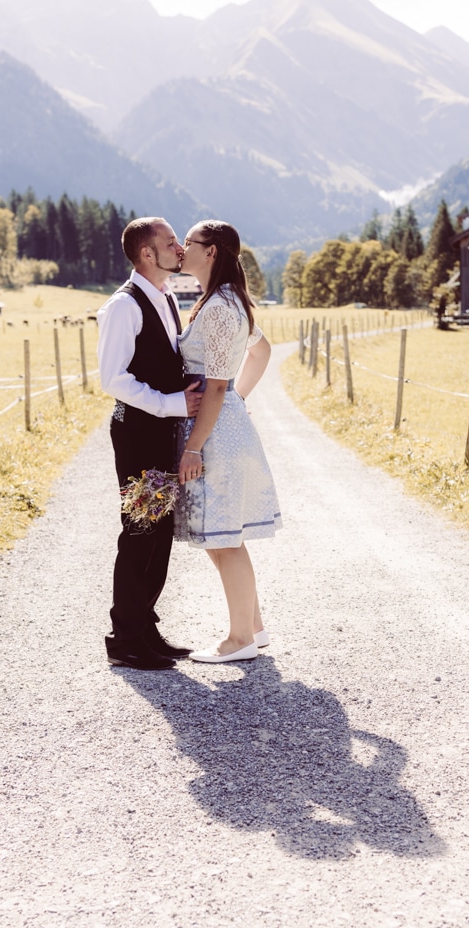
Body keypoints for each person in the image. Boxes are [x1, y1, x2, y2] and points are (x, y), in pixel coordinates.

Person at [97, 217, 203, 671]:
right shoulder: (124, 306)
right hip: (139, 432)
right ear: (146, 253)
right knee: (140, 530)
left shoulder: (164, 295)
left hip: (160, 431)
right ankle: (125, 639)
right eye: (171, 242)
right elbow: (112, 379)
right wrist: (171, 403)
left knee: (159, 531)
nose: (180, 248)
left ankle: (145, 626)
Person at [175, 220, 282, 664]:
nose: (182, 250)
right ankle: (253, 628)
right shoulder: (224, 301)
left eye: (189, 243)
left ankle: (239, 639)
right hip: (223, 423)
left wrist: (194, 446)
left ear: (212, 251)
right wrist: (238, 399)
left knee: (224, 538)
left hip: (214, 432)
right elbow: (262, 351)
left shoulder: (219, 307)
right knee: (222, 534)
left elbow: (216, 387)